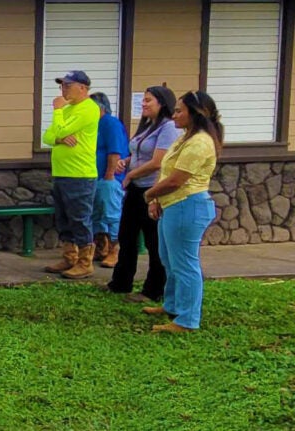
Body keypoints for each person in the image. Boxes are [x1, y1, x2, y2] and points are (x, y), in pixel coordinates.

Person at [141, 90, 222, 333]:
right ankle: (173, 305)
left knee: (185, 263)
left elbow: (177, 180)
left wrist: (150, 194)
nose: (174, 115)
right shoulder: (185, 136)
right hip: (172, 205)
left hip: (188, 205)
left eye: (179, 111)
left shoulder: (200, 142)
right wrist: (157, 199)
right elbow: (166, 171)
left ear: (194, 114)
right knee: (168, 258)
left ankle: (187, 320)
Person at [106, 86, 181, 302]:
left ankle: (154, 290)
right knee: (126, 236)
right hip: (135, 189)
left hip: (151, 189)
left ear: (162, 103)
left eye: (149, 100)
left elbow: (158, 162)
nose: (144, 104)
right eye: (144, 100)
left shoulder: (168, 128)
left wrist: (130, 175)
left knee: (153, 241)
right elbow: (138, 152)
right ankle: (120, 283)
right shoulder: (148, 126)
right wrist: (126, 162)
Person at [41, 70, 101, 279]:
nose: (63, 90)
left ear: (82, 88)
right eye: (62, 86)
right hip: (62, 172)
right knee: (64, 217)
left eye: (67, 85)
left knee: (80, 218)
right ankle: (69, 256)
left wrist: (57, 112)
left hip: (80, 174)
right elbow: (48, 136)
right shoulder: (68, 110)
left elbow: (60, 130)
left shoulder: (88, 109)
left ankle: (85, 262)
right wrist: (58, 139)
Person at [89, 91, 129, 267]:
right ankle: (101, 247)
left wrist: (110, 175)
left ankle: (115, 250)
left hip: (109, 178)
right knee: (97, 214)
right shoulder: (93, 124)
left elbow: (115, 151)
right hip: (93, 176)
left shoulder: (110, 123)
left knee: (111, 214)